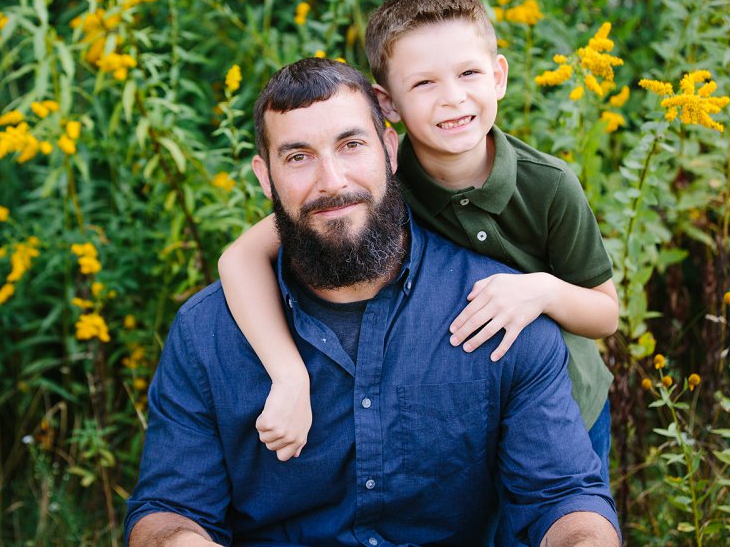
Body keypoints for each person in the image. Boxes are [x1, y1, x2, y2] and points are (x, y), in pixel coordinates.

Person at [124, 57, 620, 546]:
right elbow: (170, 511)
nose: (332, 181)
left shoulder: (503, 311)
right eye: (298, 157)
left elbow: (563, 497)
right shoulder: (207, 332)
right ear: (265, 177)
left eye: (351, 145)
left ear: (389, 149)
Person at [218, 0, 618, 483]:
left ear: (498, 77)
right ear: (388, 104)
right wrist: (289, 374)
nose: (453, 97)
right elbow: (239, 259)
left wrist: (540, 289)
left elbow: (605, 313)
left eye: (469, 73)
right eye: (424, 83)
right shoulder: (379, 180)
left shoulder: (549, 185)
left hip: (568, 405)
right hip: (467, 413)